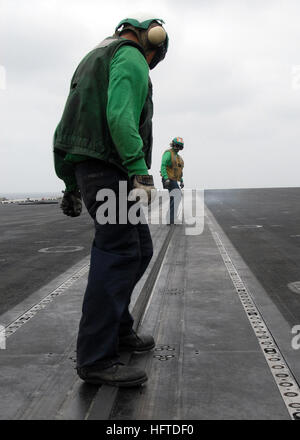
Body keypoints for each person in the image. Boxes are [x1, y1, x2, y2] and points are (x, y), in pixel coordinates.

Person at [53, 15, 169, 387]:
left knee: (140, 248)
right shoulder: (131, 55)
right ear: (153, 43)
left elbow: (66, 128)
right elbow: (120, 116)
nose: (149, 66)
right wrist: (139, 170)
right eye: (154, 61)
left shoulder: (94, 57)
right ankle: (95, 357)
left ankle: (118, 329)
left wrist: (69, 183)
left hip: (91, 168)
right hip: (111, 168)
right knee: (118, 254)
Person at [161, 137, 184, 224]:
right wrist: (166, 178)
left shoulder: (178, 158)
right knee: (177, 195)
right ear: (173, 145)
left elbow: (178, 171)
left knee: (175, 197)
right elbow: (163, 165)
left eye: (180, 147)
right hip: (168, 179)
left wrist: (181, 180)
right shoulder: (168, 153)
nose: (178, 148)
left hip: (173, 180)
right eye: (176, 146)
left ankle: (171, 218)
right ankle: (171, 218)